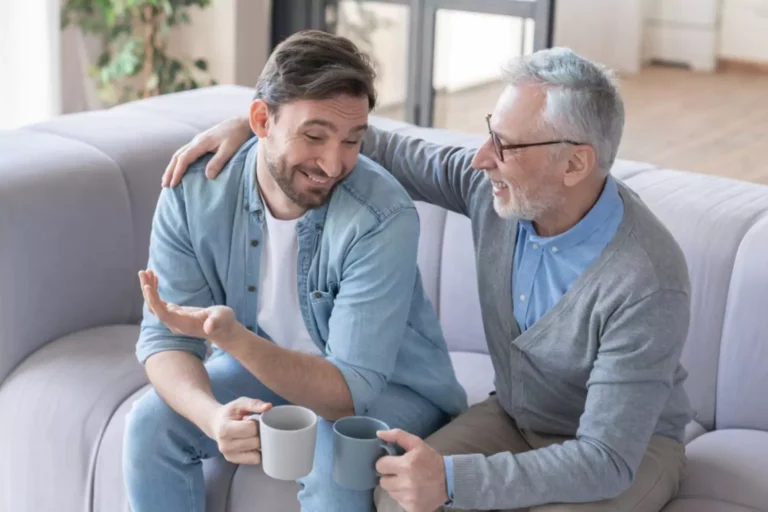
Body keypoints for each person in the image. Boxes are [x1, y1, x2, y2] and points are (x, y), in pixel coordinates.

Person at [164, 47, 694, 512]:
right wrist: (258, 129)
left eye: (505, 146)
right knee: (396, 494)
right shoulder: (495, 189)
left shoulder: (646, 279)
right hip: (514, 417)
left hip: (629, 449)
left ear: (575, 164)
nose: (483, 158)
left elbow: (604, 458)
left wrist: (453, 480)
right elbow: (374, 144)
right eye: (490, 133)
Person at [124, 29, 468, 512]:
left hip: (390, 387)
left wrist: (235, 340)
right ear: (261, 120)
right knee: (150, 425)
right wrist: (212, 417)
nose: (333, 163)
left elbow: (349, 392)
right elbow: (165, 342)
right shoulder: (194, 191)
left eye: (352, 140)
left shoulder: (381, 216)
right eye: (314, 136)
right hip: (270, 369)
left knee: (335, 461)